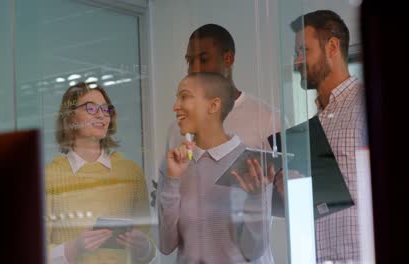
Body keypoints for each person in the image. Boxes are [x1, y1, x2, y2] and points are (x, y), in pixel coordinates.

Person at [152, 23, 282, 262]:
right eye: (189, 61)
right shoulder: (177, 129)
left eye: (203, 59)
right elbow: (168, 235)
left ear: (228, 58)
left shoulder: (266, 118)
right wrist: (168, 189)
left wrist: (258, 195)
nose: (194, 68)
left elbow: (280, 197)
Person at [289, 10, 367, 263]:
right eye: (296, 53)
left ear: (332, 46)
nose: (296, 61)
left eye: (304, 51)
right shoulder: (313, 125)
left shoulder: (367, 104)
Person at [45, 82, 155, 264]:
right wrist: (74, 248)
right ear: (71, 118)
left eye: (105, 109)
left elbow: (149, 244)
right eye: (91, 108)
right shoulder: (49, 177)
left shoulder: (131, 173)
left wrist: (145, 248)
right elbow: (34, 251)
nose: (100, 114)